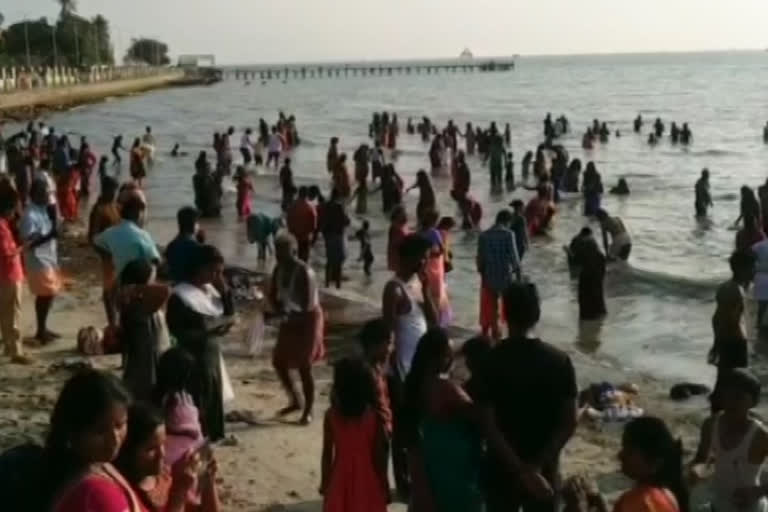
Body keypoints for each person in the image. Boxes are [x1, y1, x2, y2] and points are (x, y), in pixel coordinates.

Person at [478, 282, 578, 512]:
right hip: (544, 472)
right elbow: (569, 422)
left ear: (503, 313)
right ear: (538, 314)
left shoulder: (491, 361)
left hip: (501, 469)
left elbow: (487, 424)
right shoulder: (559, 361)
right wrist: (535, 468)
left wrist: (519, 469)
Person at [382, 234, 438, 498]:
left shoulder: (418, 283)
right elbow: (389, 336)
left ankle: (416, 478)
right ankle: (403, 483)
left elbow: (435, 324)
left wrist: (427, 292)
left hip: (421, 367)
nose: (427, 261)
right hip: (402, 371)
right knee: (402, 428)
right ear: (412, 257)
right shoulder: (393, 289)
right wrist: (394, 376)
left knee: (420, 426)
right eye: (424, 256)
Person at [166, 245, 235, 441]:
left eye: (220, 272)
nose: (216, 276)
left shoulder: (210, 290)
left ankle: (215, 435)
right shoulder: (180, 295)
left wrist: (225, 291)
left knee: (214, 394)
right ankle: (199, 437)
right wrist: (206, 332)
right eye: (213, 271)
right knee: (199, 398)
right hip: (192, 356)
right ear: (199, 267)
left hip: (211, 352)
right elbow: (176, 331)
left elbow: (228, 314)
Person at [41, 370, 135, 512]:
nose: (114, 439)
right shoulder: (96, 493)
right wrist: (177, 494)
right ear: (73, 433)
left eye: (120, 425)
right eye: (100, 431)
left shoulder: (98, 465)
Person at [114, 402, 220, 512]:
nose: (162, 454)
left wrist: (207, 481)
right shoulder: (123, 492)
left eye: (163, 444)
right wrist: (179, 492)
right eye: (151, 449)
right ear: (129, 450)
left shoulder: (165, 478)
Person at [564, 417, 686, 512]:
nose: (620, 455)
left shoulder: (639, 502)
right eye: (623, 448)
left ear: (654, 463)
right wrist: (599, 501)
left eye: (629, 451)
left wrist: (578, 508)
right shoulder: (668, 495)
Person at [691, 368, 767, 512]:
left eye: (738, 397)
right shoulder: (711, 424)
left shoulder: (760, 436)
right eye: (727, 395)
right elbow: (701, 459)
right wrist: (697, 470)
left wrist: (757, 492)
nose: (731, 402)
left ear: (753, 402)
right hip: (717, 506)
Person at [270, 233, 325, 425]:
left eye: (283, 253)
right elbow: (274, 296)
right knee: (279, 361)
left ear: (294, 251)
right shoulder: (278, 270)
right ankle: (296, 400)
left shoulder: (304, 272)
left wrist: (282, 317)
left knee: (304, 365)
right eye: (277, 253)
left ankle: (308, 411)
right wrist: (273, 312)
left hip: (308, 319)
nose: (279, 257)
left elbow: (307, 306)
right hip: (289, 316)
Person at [320, 358, 388, 512]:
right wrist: (384, 483)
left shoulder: (331, 416)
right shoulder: (374, 418)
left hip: (340, 479)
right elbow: (379, 457)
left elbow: (327, 454)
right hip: (368, 480)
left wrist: (325, 483)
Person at [709, 251, 755, 411]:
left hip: (726, 340)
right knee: (738, 383)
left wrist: (717, 343)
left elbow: (716, 318)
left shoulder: (725, 287)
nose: (754, 271)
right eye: (752, 267)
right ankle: (730, 413)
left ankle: (717, 411)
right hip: (734, 343)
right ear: (743, 268)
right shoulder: (737, 291)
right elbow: (731, 321)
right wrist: (739, 343)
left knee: (723, 380)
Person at [120, 259, 170, 401]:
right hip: (145, 360)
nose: (156, 283)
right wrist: (135, 288)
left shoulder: (140, 300)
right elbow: (165, 290)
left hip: (151, 354)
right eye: (152, 280)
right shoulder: (136, 305)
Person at [20, 178, 61, 343]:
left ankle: (43, 328)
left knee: (49, 294)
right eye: (46, 192)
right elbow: (27, 243)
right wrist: (50, 236)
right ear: (36, 194)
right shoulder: (30, 215)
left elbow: (52, 229)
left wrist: (54, 218)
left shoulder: (43, 209)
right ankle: (40, 331)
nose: (48, 195)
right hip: (38, 261)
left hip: (49, 257)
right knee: (46, 294)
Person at [477, 210, 521, 338]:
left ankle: (495, 334)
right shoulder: (509, 234)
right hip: (505, 276)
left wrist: (483, 275)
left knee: (492, 307)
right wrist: (518, 277)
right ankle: (510, 336)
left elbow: (480, 259)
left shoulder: (484, 235)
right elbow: (514, 258)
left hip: (489, 276)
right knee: (509, 308)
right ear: (507, 221)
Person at [95, 194, 160, 279]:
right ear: (137, 215)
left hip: (120, 277)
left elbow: (96, 242)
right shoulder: (142, 235)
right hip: (139, 279)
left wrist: (108, 257)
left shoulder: (109, 233)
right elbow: (155, 259)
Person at [0, 186, 30, 364]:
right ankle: (16, 349)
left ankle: (8, 346)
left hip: (4, 275)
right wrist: (22, 248)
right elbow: (7, 252)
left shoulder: (4, 225)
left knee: (5, 313)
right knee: (14, 313)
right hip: (10, 274)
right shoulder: (2, 228)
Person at [359, 318, 394, 440]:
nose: (391, 349)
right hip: (374, 436)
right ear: (375, 344)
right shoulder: (366, 373)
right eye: (389, 343)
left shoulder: (378, 368)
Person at [419, 209, 451, 327]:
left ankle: (428, 318)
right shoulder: (434, 232)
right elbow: (442, 250)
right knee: (437, 293)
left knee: (426, 291)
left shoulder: (420, 232)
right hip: (435, 265)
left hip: (423, 264)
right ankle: (438, 321)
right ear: (434, 220)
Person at [321, 189, 350, 289]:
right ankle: (338, 286)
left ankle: (327, 284)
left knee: (329, 260)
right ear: (339, 196)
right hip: (338, 235)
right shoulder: (339, 206)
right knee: (338, 262)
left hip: (328, 235)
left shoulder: (326, 205)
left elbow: (323, 220)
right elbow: (346, 221)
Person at [165, 206, 203, 284]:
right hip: (191, 284)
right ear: (194, 225)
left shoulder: (171, 245)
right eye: (198, 223)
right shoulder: (195, 246)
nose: (199, 226)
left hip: (176, 283)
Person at [574, 233, 607, 320]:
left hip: (586, 286)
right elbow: (603, 272)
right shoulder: (601, 256)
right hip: (597, 285)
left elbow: (576, 264)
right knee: (599, 306)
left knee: (586, 313)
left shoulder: (584, 256)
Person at [286, 186, 317, 263]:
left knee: (294, 258)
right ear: (307, 194)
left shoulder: (292, 205)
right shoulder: (310, 207)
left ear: (299, 194)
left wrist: (291, 230)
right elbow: (314, 225)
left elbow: (288, 220)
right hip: (305, 237)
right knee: (304, 260)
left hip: (294, 236)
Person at [193, 152, 222, 218]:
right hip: (211, 206)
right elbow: (218, 191)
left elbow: (218, 191)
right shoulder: (202, 178)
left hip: (208, 206)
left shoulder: (198, 177)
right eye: (209, 168)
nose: (210, 169)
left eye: (209, 167)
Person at [387, 206, 410, 274]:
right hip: (397, 253)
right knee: (400, 272)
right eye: (400, 213)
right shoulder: (394, 227)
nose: (403, 214)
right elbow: (394, 241)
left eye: (403, 213)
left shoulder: (404, 224)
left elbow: (408, 233)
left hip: (405, 252)